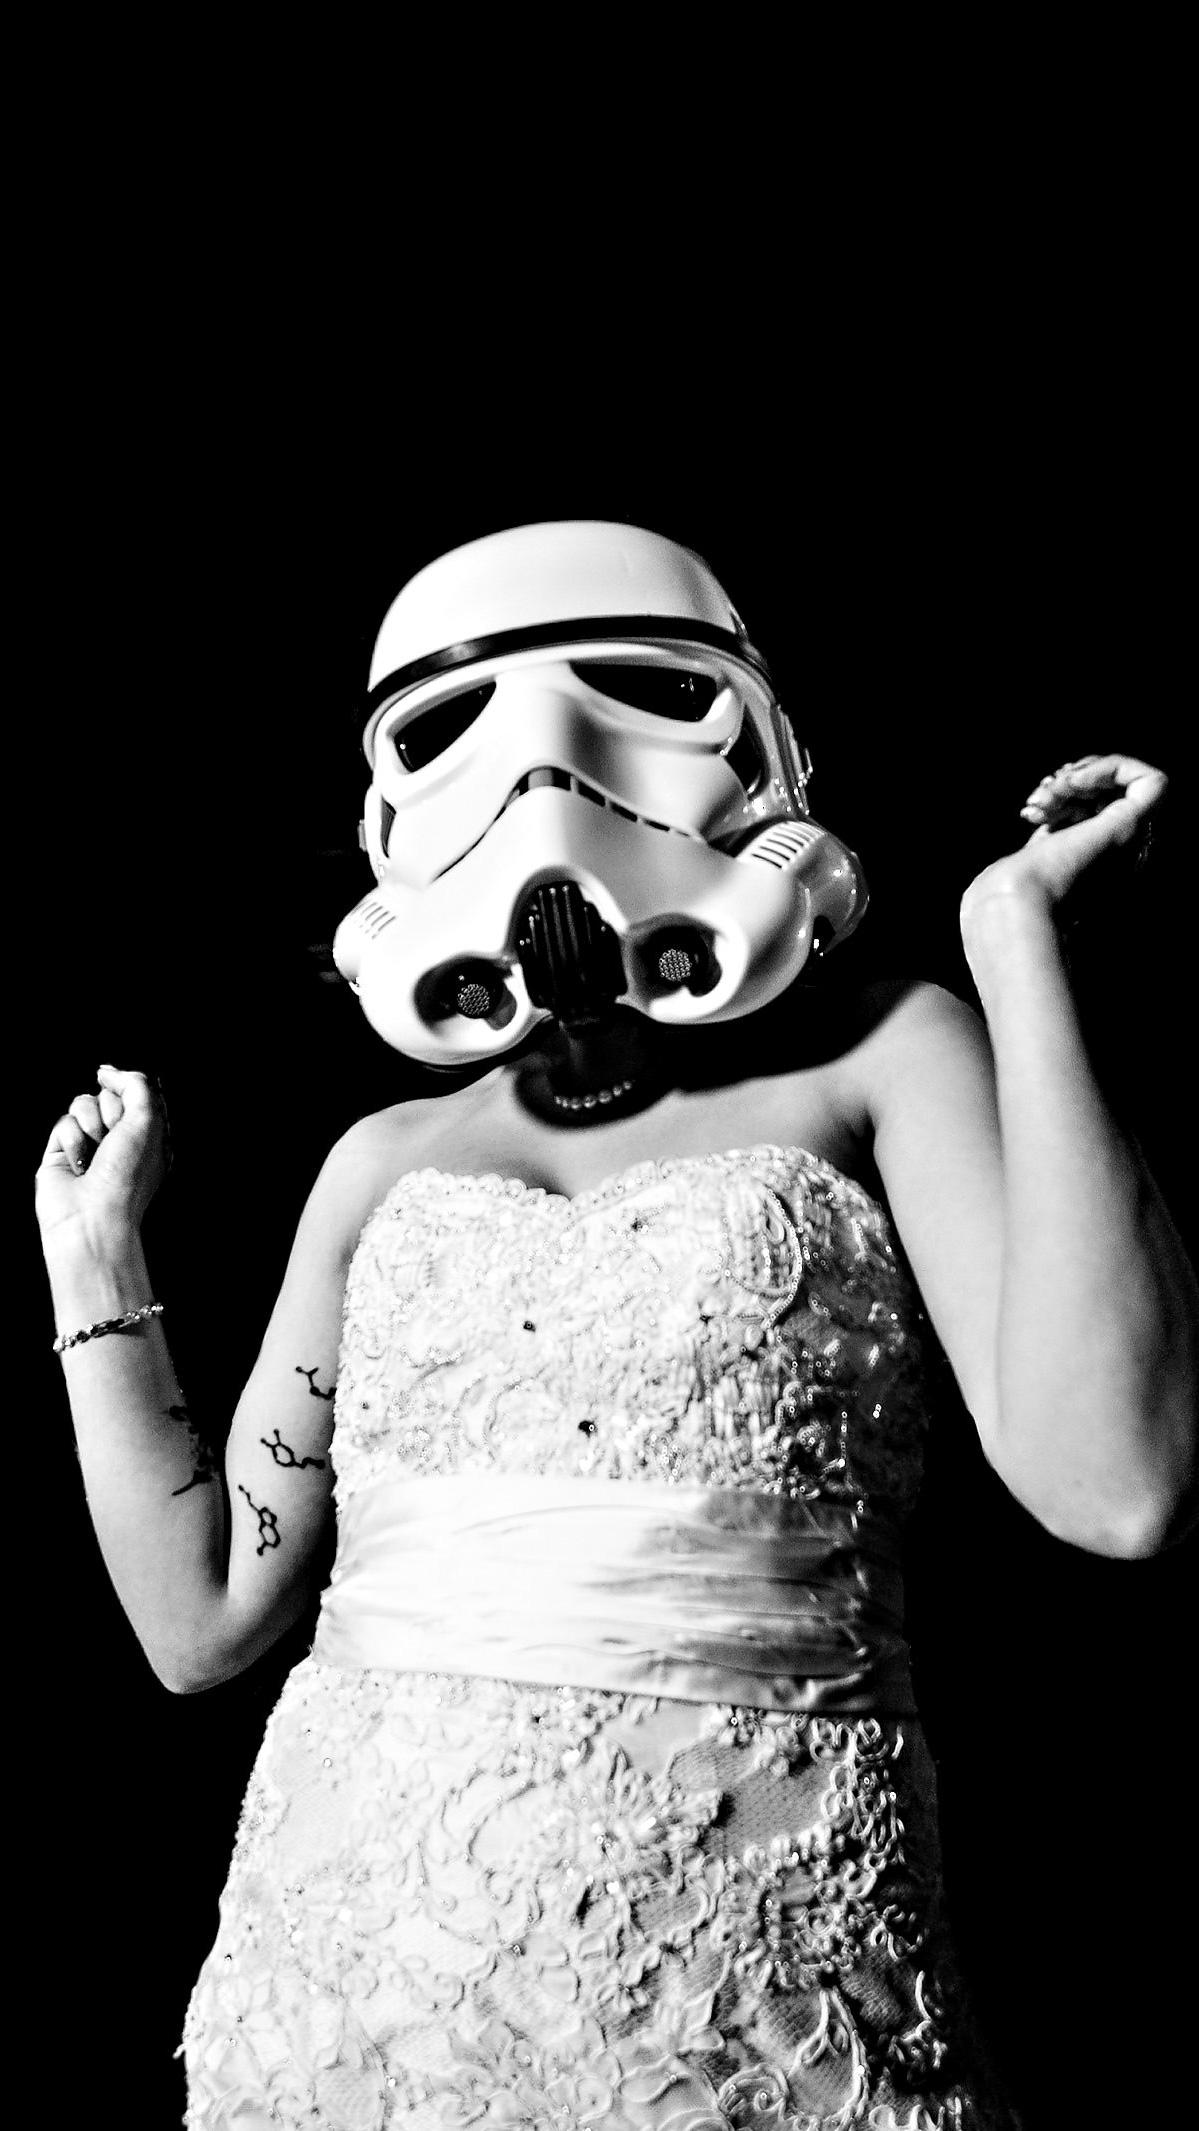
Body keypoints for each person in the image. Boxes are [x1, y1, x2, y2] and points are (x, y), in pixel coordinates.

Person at [36, 523, 1197, 2130]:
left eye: (633, 690)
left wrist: (1018, 946)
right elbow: (202, 1621)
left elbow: (1118, 1482)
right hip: (350, 1993)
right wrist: (92, 1269)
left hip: (758, 2001)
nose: (542, 773)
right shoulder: (383, 1160)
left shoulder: (884, 1057)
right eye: (456, 727)